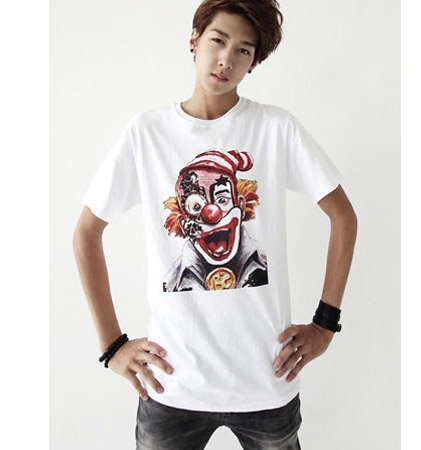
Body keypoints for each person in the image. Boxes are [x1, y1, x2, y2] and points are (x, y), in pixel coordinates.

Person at [73, 1, 358, 449]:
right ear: (194, 39)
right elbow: (86, 232)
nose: (226, 59)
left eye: (244, 50)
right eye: (218, 40)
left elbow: (343, 216)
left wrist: (325, 324)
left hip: (267, 383)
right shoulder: (146, 133)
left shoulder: (275, 128)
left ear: (254, 61)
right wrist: (112, 345)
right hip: (170, 386)